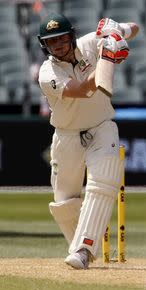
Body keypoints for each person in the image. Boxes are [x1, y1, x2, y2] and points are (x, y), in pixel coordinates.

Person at [37, 12, 139, 269]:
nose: (58, 45)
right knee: (63, 203)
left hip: (102, 127)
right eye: (52, 42)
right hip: (66, 136)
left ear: (72, 36)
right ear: (45, 45)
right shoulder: (47, 72)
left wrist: (117, 33)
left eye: (62, 38)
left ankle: (84, 250)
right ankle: (80, 248)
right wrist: (108, 59)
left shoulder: (90, 43)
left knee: (103, 182)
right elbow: (82, 91)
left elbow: (135, 28)